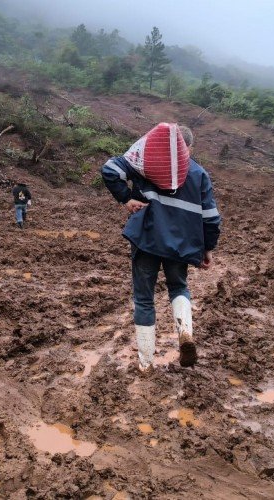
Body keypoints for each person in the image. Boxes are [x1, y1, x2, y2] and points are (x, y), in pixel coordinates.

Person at [102, 123, 221, 372]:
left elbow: (110, 169)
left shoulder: (144, 164)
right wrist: (207, 248)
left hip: (147, 239)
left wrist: (126, 198)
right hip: (181, 244)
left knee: (144, 299)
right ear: (187, 147)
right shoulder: (199, 174)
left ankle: (146, 363)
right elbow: (211, 217)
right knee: (178, 287)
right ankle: (184, 332)